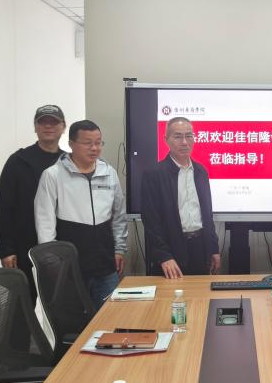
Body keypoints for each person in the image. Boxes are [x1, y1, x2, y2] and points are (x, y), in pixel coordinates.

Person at [34, 120, 127, 312]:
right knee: (74, 322)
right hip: (69, 269)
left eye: (98, 143)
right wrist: (53, 264)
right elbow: (45, 224)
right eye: (87, 143)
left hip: (105, 265)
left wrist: (119, 250)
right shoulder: (53, 175)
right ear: (71, 144)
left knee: (109, 318)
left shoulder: (109, 173)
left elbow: (119, 215)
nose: (94, 148)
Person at [0, 104, 66, 304]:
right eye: (43, 122)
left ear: (63, 126)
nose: (48, 126)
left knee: (60, 307)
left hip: (60, 250)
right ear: (35, 126)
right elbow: (3, 209)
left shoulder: (68, 163)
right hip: (23, 249)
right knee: (22, 308)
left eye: (54, 122)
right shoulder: (18, 161)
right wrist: (6, 249)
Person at [141, 117, 221, 278]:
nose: (184, 142)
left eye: (189, 136)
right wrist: (164, 256)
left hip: (200, 248)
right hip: (171, 250)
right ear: (166, 139)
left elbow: (207, 215)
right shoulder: (154, 174)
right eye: (178, 136)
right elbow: (151, 220)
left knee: (199, 293)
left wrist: (213, 248)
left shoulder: (201, 172)